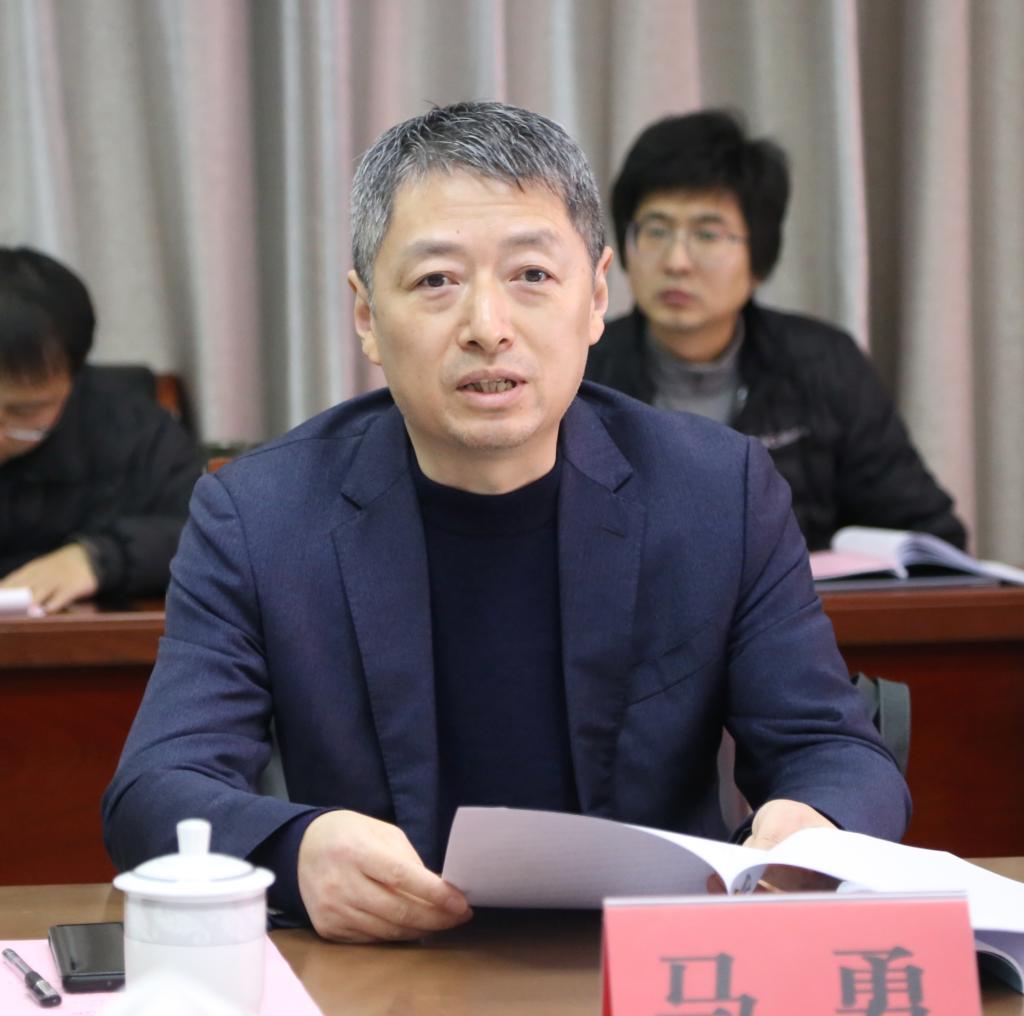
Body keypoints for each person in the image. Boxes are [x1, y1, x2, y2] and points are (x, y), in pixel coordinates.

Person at [102, 102, 910, 945]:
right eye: (436, 281)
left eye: (531, 275)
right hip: (386, 975)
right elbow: (154, 789)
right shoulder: (260, 515)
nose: (487, 328)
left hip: (652, 964)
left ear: (596, 297)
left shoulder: (717, 494)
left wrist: (810, 824)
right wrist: (295, 850)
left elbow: (839, 752)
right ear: (367, 315)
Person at [585, 110, 966, 552]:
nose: (676, 262)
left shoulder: (824, 367)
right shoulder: (584, 367)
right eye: (655, 230)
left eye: (707, 235)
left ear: (760, 258)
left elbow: (930, 536)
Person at [0, 247, 201, 611]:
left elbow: (205, 532)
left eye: (24, 411)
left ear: (74, 377)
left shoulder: (132, 429)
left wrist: (98, 559)